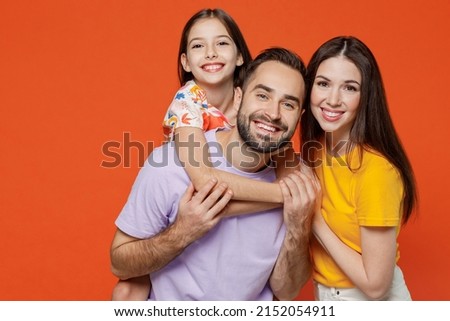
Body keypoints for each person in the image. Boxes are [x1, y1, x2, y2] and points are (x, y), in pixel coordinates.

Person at [111, 8, 301, 300]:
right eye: (199, 45)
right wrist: (283, 196)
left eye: (222, 43)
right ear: (185, 62)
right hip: (195, 194)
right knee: (130, 288)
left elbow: (283, 148)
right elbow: (206, 182)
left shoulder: (261, 111)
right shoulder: (188, 104)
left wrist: (298, 193)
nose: (211, 53)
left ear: (240, 55)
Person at [300, 36, 418, 300]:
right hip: (326, 296)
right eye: (323, 84)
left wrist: (314, 219)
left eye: (349, 88)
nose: (332, 99)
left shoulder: (377, 171)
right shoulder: (315, 151)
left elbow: (375, 286)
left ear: (366, 97)